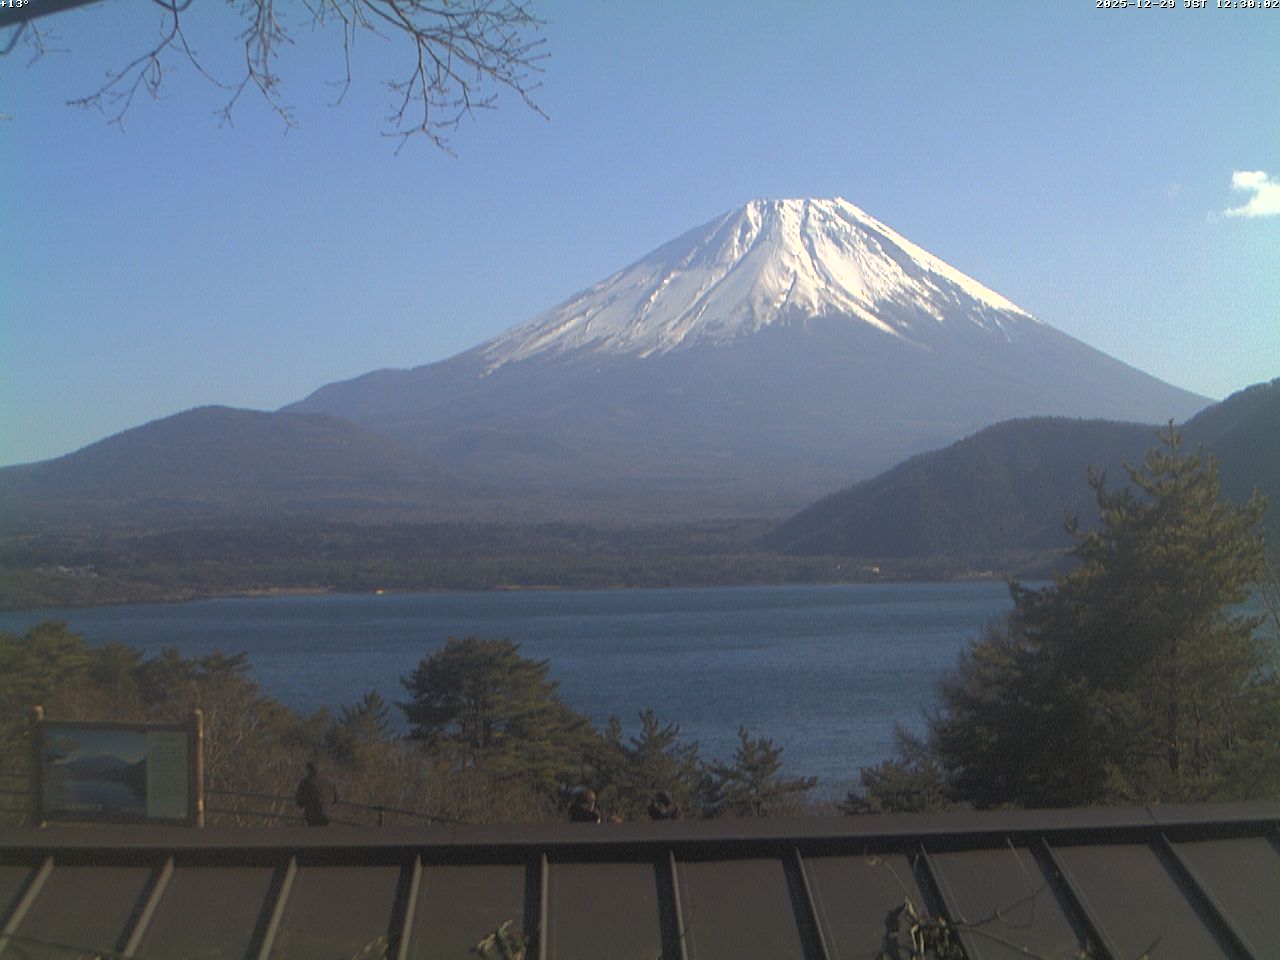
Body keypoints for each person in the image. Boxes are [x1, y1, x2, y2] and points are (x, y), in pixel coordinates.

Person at [295, 760, 338, 826]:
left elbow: (299, 800)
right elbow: (336, 798)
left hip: (312, 816)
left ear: (308, 770)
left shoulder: (305, 782)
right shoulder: (329, 781)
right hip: (327, 815)